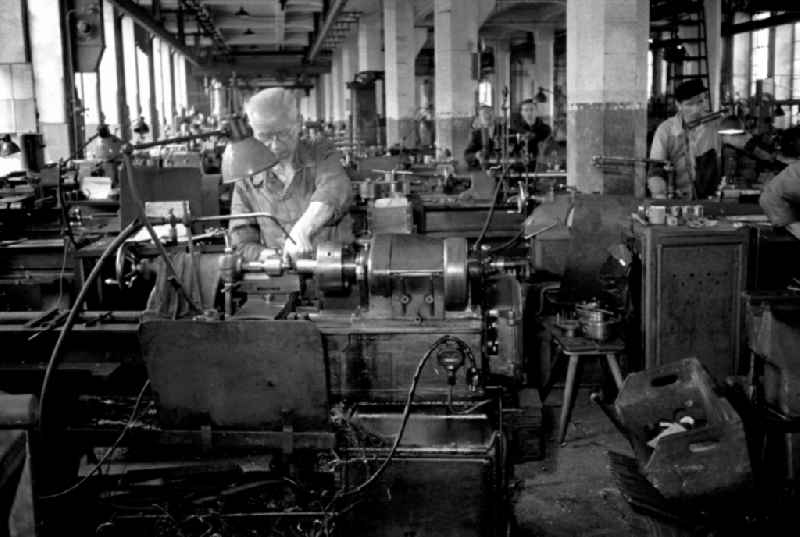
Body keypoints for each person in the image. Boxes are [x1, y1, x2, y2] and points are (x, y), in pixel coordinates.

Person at [228, 88, 353, 264]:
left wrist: (301, 231)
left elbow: (335, 189)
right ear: (252, 131)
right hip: (281, 279)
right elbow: (241, 243)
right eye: (265, 137)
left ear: (299, 123)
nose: (275, 145)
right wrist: (273, 257)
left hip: (336, 271)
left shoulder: (321, 151)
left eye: (284, 134)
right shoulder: (247, 179)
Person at [648, 79, 775, 199]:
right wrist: (660, 197)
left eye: (700, 102)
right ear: (678, 105)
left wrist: (764, 155)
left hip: (710, 198)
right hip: (677, 198)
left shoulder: (719, 124)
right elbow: (656, 169)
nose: (696, 109)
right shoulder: (665, 130)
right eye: (690, 104)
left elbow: (752, 147)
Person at [512, 99, 552, 170]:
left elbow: (547, 148)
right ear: (521, 113)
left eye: (531, 109)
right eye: (526, 110)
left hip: (540, 166)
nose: (529, 113)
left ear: (536, 112)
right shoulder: (516, 130)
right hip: (521, 166)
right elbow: (514, 150)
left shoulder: (545, 129)